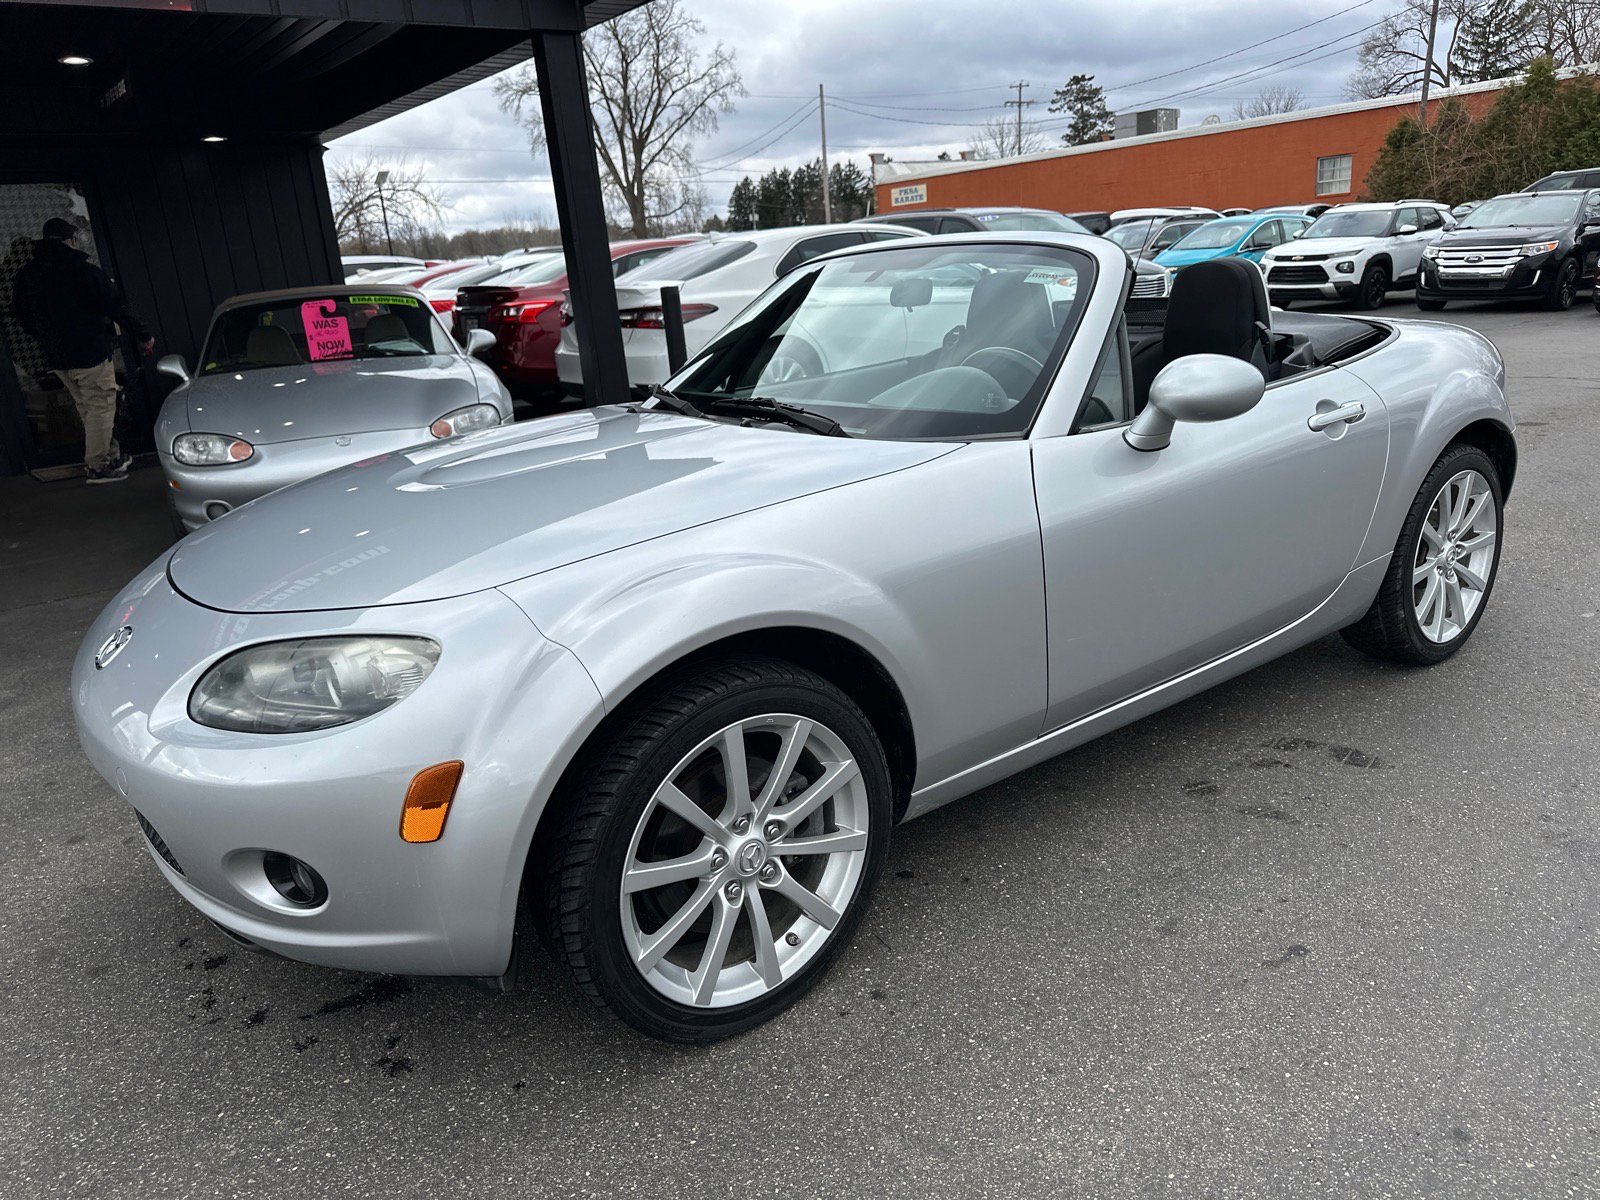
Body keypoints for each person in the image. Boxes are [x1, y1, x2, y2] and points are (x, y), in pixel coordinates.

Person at [11, 218, 153, 483]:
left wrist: (44, 337)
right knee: (100, 404)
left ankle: (110, 454)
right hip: (90, 350)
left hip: (56, 355)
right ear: (71, 240)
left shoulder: (28, 276)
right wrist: (143, 334)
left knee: (87, 407)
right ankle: (98, 465)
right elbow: (115, 305)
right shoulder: (82, 270)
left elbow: (21, 314)